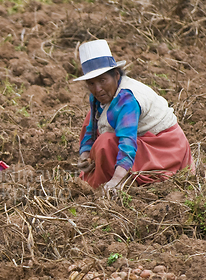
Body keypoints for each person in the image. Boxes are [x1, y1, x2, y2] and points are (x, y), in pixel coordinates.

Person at [73, 40, 195, 191]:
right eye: (91, 83)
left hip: (164, 148)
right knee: (91, 119)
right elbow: (91, 127)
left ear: (116, 75)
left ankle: (107, 183)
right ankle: (97, 176)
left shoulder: (127, 99)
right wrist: (85, 155)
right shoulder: (99, 97)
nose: (98, 89)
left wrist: (117, 180)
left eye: (102, 80)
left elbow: (127, 142)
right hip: (140, 141)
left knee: (105, 142)